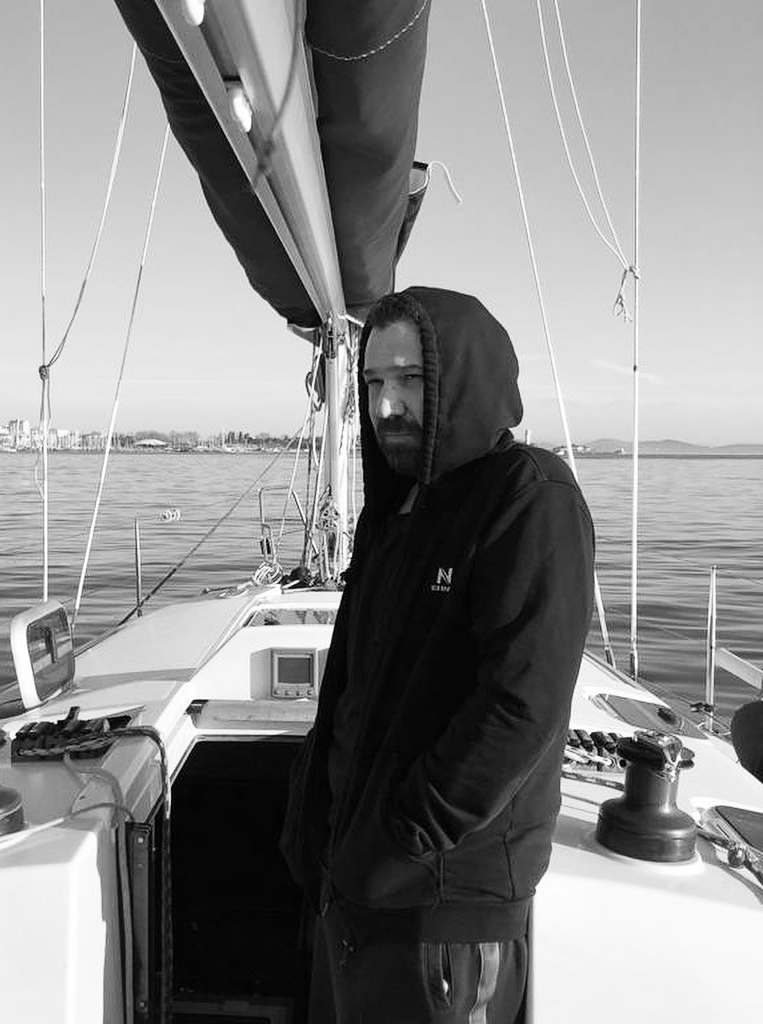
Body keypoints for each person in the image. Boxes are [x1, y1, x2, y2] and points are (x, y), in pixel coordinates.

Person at [281, 286, 595, 1023]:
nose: (386, 405)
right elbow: (357, 683)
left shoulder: (530, 499)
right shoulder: (393, 511)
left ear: (463, 379)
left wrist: (402, 837)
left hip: (443, 913)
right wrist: (319, 824)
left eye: (411, 380)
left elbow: (520, 707)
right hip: (357, 885)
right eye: (373, 382)